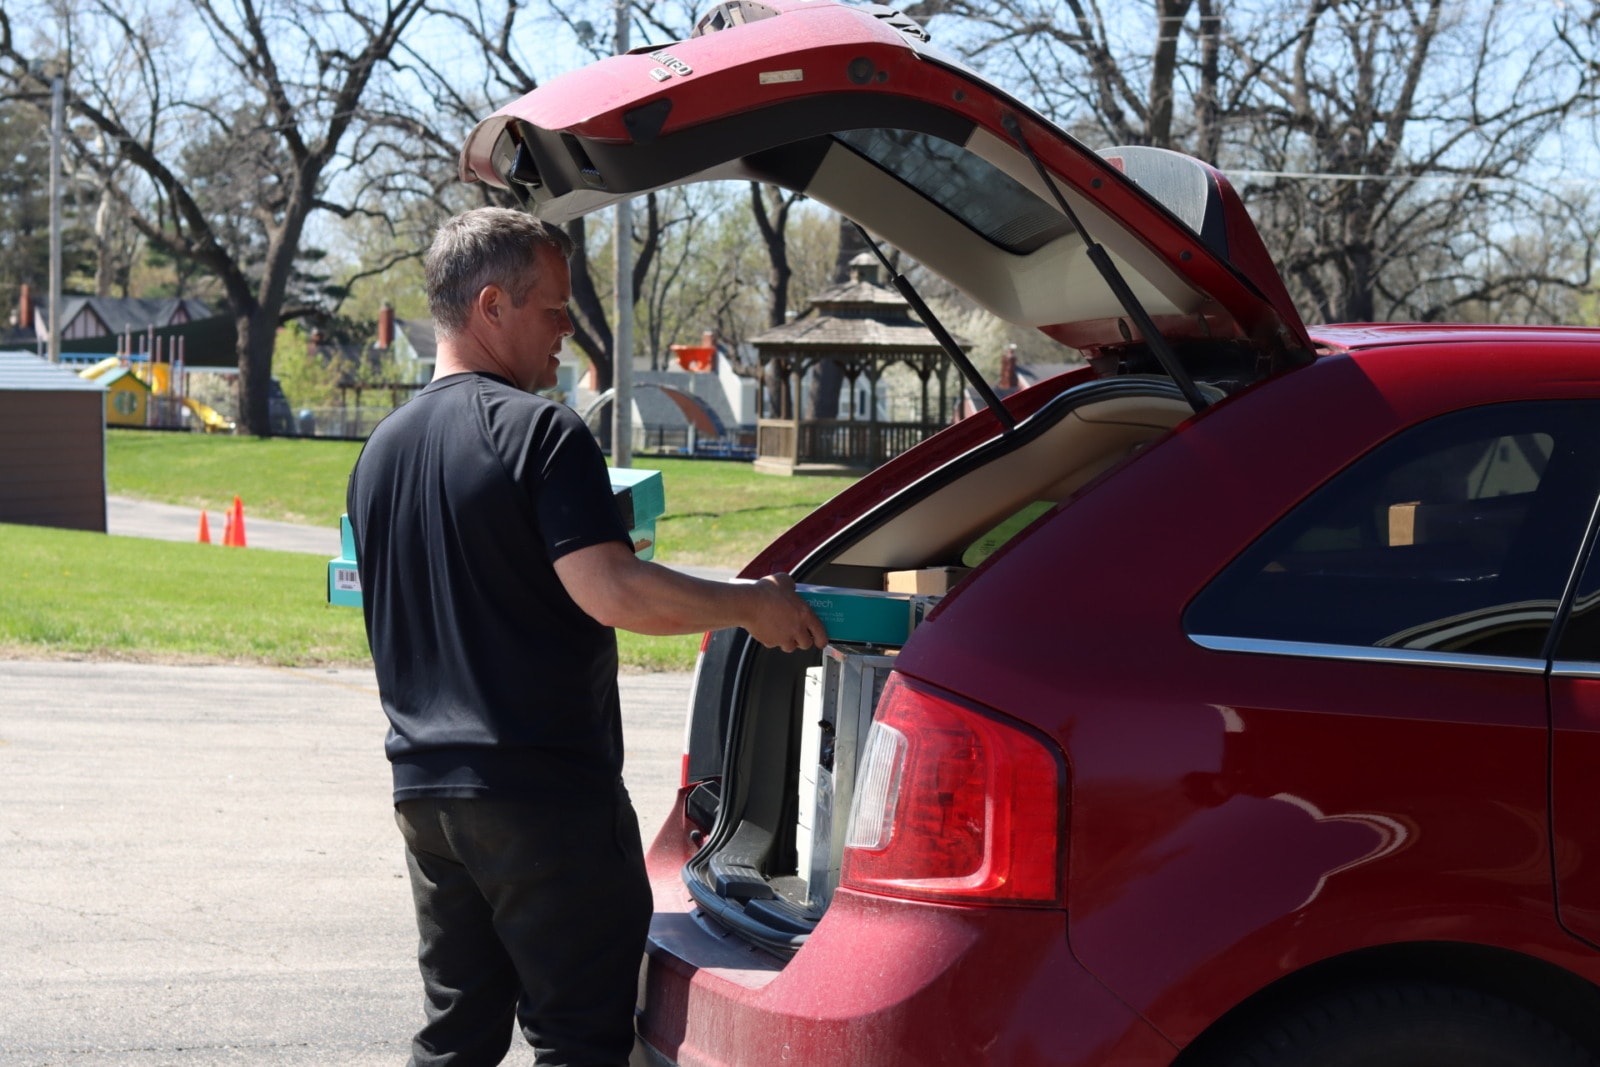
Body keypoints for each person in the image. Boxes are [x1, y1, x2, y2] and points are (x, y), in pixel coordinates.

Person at [346, 206, 828, 1067]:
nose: (566, 336)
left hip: (426, 791)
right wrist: (751, 604)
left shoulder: (379, 451)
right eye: (554, 312)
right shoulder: (542, 433)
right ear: (491, 305)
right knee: (579, 1039)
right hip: (542, 794)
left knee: (456, 1034)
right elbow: (613, 590)